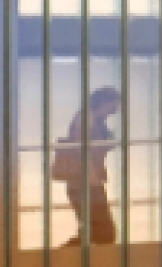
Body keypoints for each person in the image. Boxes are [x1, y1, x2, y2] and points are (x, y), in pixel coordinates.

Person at [52, 86, 121, 247]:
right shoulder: (86, 120)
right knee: (102, 231)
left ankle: (66, 256)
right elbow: (82, 150)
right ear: (103, 102)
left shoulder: (96, 121)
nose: (115, 110)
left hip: (88, 180)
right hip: (85, 181)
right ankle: (64, 256)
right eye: (113, 105)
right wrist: (92, 178)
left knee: (96, 230)